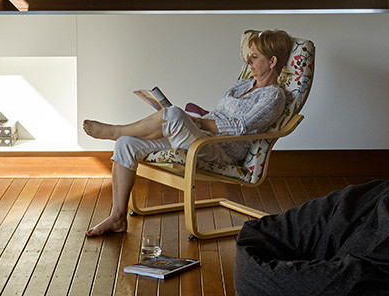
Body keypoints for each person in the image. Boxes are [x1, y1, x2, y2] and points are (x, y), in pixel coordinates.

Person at [83, 28, 295, 237]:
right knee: (126, 143)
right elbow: (219, 112)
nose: (248, 61)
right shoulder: (243, 84)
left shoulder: (273, 97)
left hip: (220, 149)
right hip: (202, 137)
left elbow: (241, 127)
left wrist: (197, 122)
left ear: (272, 62)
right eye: (249, 56)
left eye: (255, 57)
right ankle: (117, 217)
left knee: (173, 114)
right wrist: (194, 120)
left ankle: (116, 130)